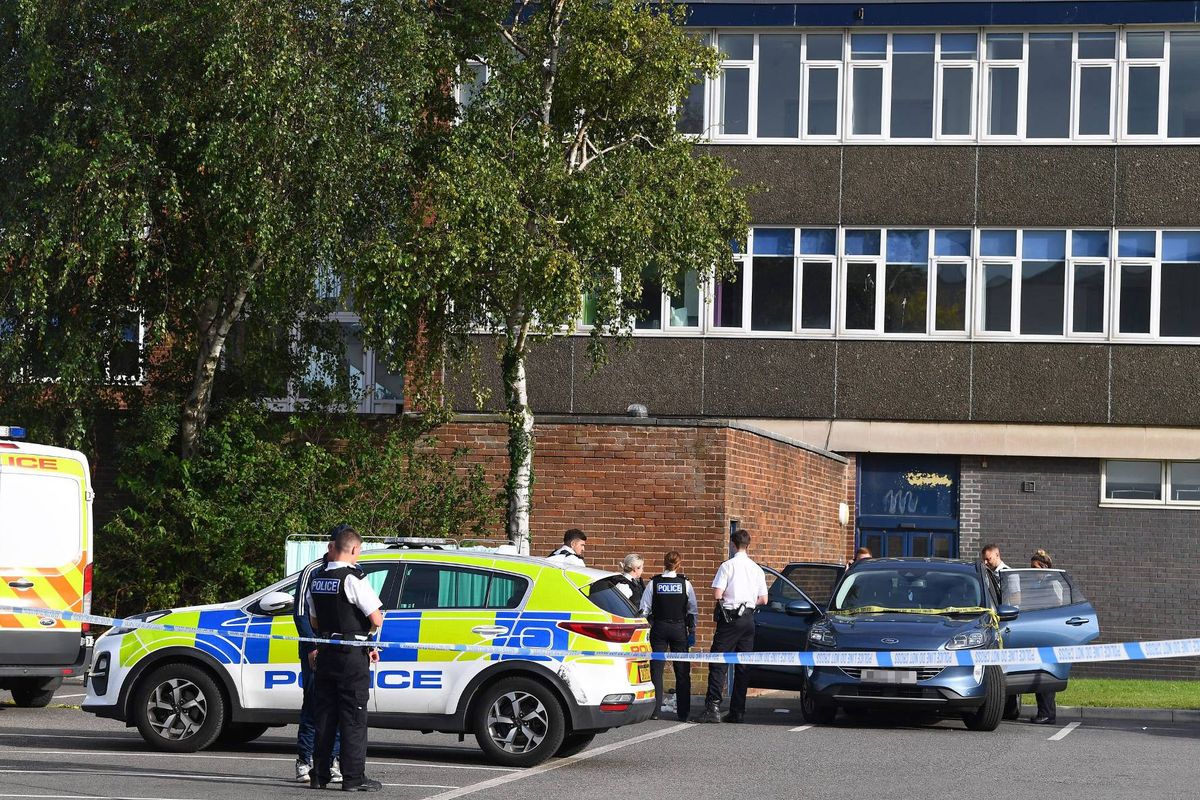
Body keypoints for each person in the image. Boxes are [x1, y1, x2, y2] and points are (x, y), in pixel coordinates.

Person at [308, 526, 385, 792]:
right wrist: (365, 634)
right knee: (353, 719)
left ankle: (319, 775)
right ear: (353, 549)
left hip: (327, 652)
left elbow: (314, 621)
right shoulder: (353, 579)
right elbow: (376, 618)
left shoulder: (316, 579)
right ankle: (353, 778)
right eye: (359, 551)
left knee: (326, 717)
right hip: (351, 657)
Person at [696, 528, 768, 724]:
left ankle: (713, 708)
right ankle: (738, 711)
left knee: (718, 661)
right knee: (743, 666)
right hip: (749, 619)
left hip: (730, 619)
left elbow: (717, 594)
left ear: (732, 544)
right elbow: (764, 599)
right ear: (748, 545)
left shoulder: (727, 566)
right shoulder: (757, 569)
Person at [293, 527, 344, 783]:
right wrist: (312, 647)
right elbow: (300, 613)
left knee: (337, 706)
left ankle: (332, 761)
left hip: (340, 649)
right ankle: (305, 760)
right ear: (331, 546)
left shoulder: (351, 571)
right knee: (313, 703)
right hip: (316, 648)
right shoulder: (312, 571)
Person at [639, 551, 698, 722]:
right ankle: (684, 712)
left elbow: (644, 609)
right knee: (682, 671)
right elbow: (692, 609)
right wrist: (692, 631)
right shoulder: (685, 583)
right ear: (679, 564)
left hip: (659, 628)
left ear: (664, 563)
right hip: (679, 628)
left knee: (656, 670)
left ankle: (655, 711)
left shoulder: (654, 583)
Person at [1028, 549, 1059, 725]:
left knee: (1045, 673)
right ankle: (1044, 712)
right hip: (1041, 633)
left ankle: (1047, 713)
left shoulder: (1053, 583)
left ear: (1044, 567)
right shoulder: (1040, 584)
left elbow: (1056, 608)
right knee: (1039, 674)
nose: (1032, 571)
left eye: (1034, 567)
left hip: (1049, 635)